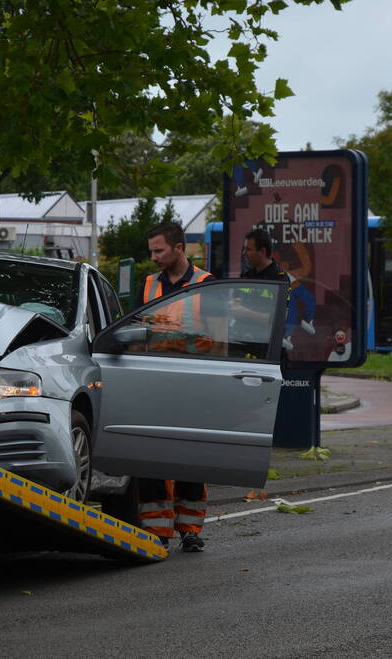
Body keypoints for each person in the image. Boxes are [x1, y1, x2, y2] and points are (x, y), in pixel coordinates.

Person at [137, 222, 213, 553]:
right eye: (151, 251)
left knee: (190, 458)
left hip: (193, 382)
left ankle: (190, 529)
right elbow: (138, 331)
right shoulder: (149, 285)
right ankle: (156, 531)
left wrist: (178, 345)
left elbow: (215, 338)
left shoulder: (206, 284)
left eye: (159, 250)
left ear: (179, 248)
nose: (153, 257)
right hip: (155, 382)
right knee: (153, 459)